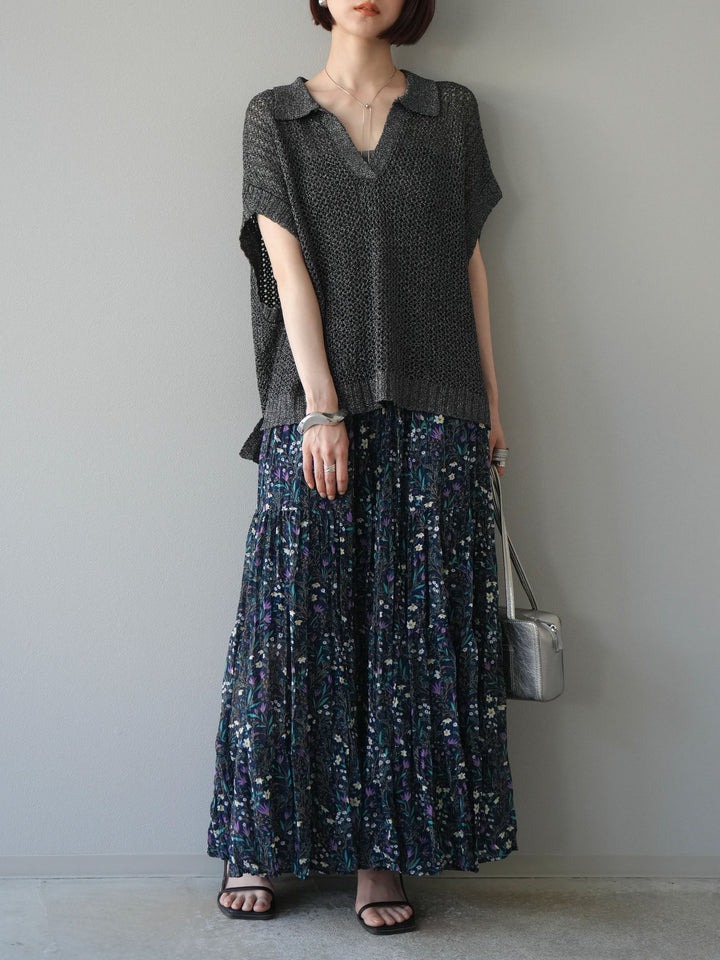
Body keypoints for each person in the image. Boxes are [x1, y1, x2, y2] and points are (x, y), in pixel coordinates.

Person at [207, 0, 517, 935]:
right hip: (314, 411)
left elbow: (469, 263)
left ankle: (381, 857)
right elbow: (285, 265)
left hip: (440, 405)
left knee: (412, 644)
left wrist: (491, 403)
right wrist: (320, 407)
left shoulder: (450, 112)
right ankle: (258, 840)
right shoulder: (275, 115)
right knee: (289, 630)